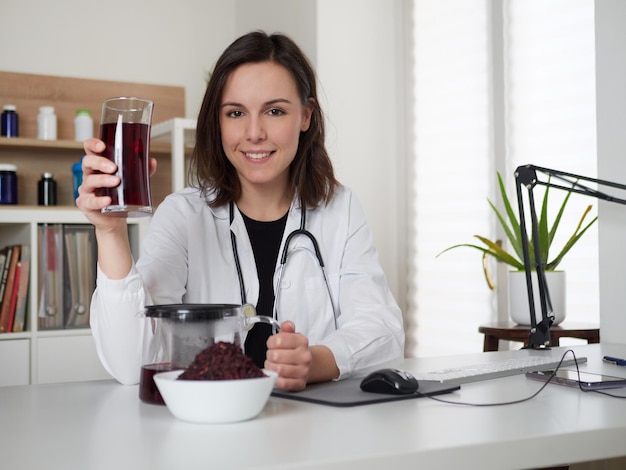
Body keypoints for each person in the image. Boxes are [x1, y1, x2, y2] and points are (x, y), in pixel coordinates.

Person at [77, 31, 404, 391]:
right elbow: (131, 365)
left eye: (275, 111)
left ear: (306, 116)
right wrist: (110, 233)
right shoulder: (183, 215)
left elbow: (383, 333)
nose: (254, 133)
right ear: (217, 123)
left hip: (314, 433)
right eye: (235, 113)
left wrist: (314, 362)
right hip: (207, 432)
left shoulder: (340, 209)